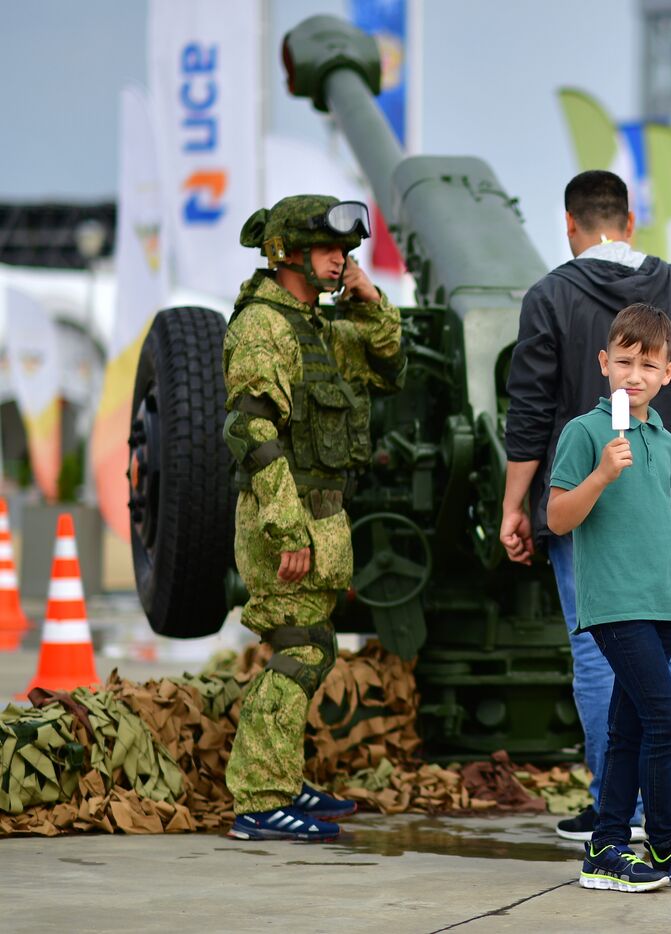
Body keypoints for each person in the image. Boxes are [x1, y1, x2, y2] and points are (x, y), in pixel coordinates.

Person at [502, 170, 671, 841]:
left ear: (570, 225)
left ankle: (621, 809)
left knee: (597, 653)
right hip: (662, 489)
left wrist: (513, 505)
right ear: (630, 222)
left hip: (581, 495)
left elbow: (528, 409)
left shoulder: (551, 293)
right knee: (670, 652)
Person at [223, 195, 405, 841]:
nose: (341, 262)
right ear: (289, 254)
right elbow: (250, 428)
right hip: (285, 522)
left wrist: (370, 300)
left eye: (347, 253)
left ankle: (280, 777)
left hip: (320, 518)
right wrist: (287, 529)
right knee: (298, 651)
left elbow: (388, 367)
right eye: (330, 252)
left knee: (315, 648)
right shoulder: (263, 327)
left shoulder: (313, 326)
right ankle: (258, 801)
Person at [548, 304, 671, 891]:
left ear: (668, 374)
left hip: (660, 601)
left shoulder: (661, 434)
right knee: (666, 720)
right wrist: (601, 476)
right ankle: (666, 843)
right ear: (605, 364)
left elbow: (660, 519)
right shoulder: (585, 433)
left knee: (630, 730)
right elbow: (558, 518)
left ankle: (607, 847)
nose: (634, 375)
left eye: (648, 365)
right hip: (615, 605)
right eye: (624, 362)